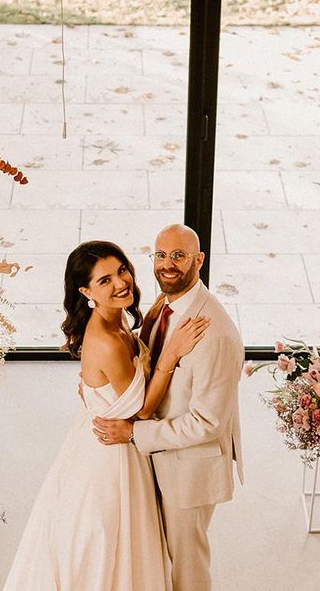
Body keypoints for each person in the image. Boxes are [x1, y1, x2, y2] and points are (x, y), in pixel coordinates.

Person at [3, 240, 209, 591]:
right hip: (110, 454)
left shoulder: (114, 321)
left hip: (104, 438)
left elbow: (129, 366)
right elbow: (143, 407)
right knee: (106, 539)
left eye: (122, 271)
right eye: (105, 281)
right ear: (85, 291)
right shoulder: (107, 340)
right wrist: (171, 354)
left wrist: (159, 313)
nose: (120, 283)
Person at [93, 224, 244, 591]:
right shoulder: (167, 308)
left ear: (199, 260)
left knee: (186, 566)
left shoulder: (216, 334)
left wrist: (133, 432)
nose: (167, 264)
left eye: (179, 255)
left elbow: (207, 423)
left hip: (189, 469)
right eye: (160, 255)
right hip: (158, 457)